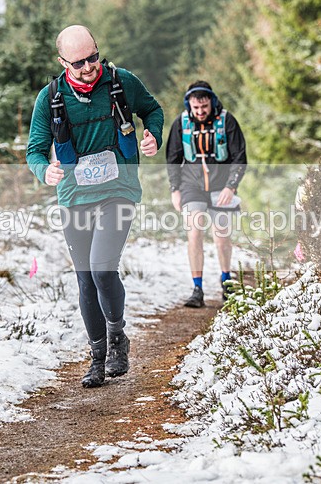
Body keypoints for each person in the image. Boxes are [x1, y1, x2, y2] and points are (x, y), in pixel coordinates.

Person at [26, 25, 164, 388]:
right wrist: (46, 171)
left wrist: (153, 136)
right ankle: (98, 356)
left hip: (119, 189)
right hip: (74, 197)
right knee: (85, 279)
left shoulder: (122, 82)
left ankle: (118, 336)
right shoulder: (50, 97)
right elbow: (34, 150)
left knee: (103, 270)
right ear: (62, 62)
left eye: (93, 57)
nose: (89, 67)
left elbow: (152, 110)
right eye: (79, 62)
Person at [166, 81, 247, 308]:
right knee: (194, 233)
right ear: (189, 105)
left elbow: (239, 157)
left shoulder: (227, 121)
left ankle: (226, 281)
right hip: (191, 185)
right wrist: (175, 189)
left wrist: (231, 187)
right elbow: (173, 159)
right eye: (196, 108)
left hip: (222, 186)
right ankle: (197, 288)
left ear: (211, 102)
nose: (200, 112)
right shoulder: (181, 123)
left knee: (221, 238)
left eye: (204, 107)